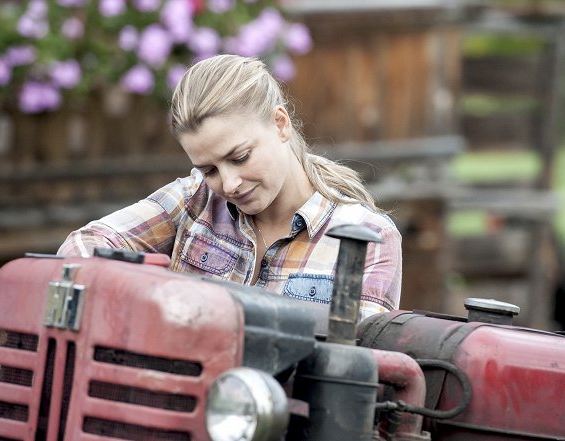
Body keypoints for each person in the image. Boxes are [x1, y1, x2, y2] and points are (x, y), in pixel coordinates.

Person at [58, 54, 402, 321]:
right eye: (209, 169)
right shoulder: (194, 200)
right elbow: (82, 246)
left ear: (279, 124)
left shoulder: (367, 238)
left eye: (240, 157)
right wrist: (152, 305)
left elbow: (360, 364)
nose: (229, 184)